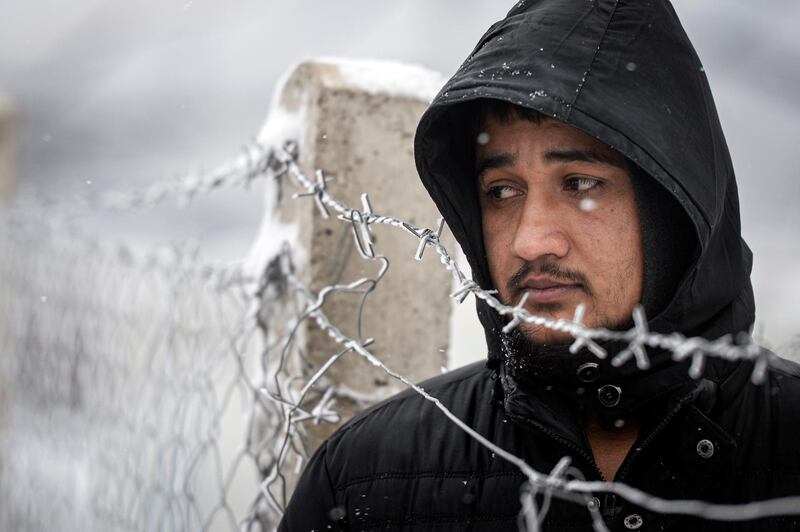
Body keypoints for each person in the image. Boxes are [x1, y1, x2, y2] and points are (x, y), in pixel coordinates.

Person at [279, 1, 800, 530]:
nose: (529, 242)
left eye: (579, 184)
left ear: (672, 207)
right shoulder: (368, 478)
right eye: (501, 191)